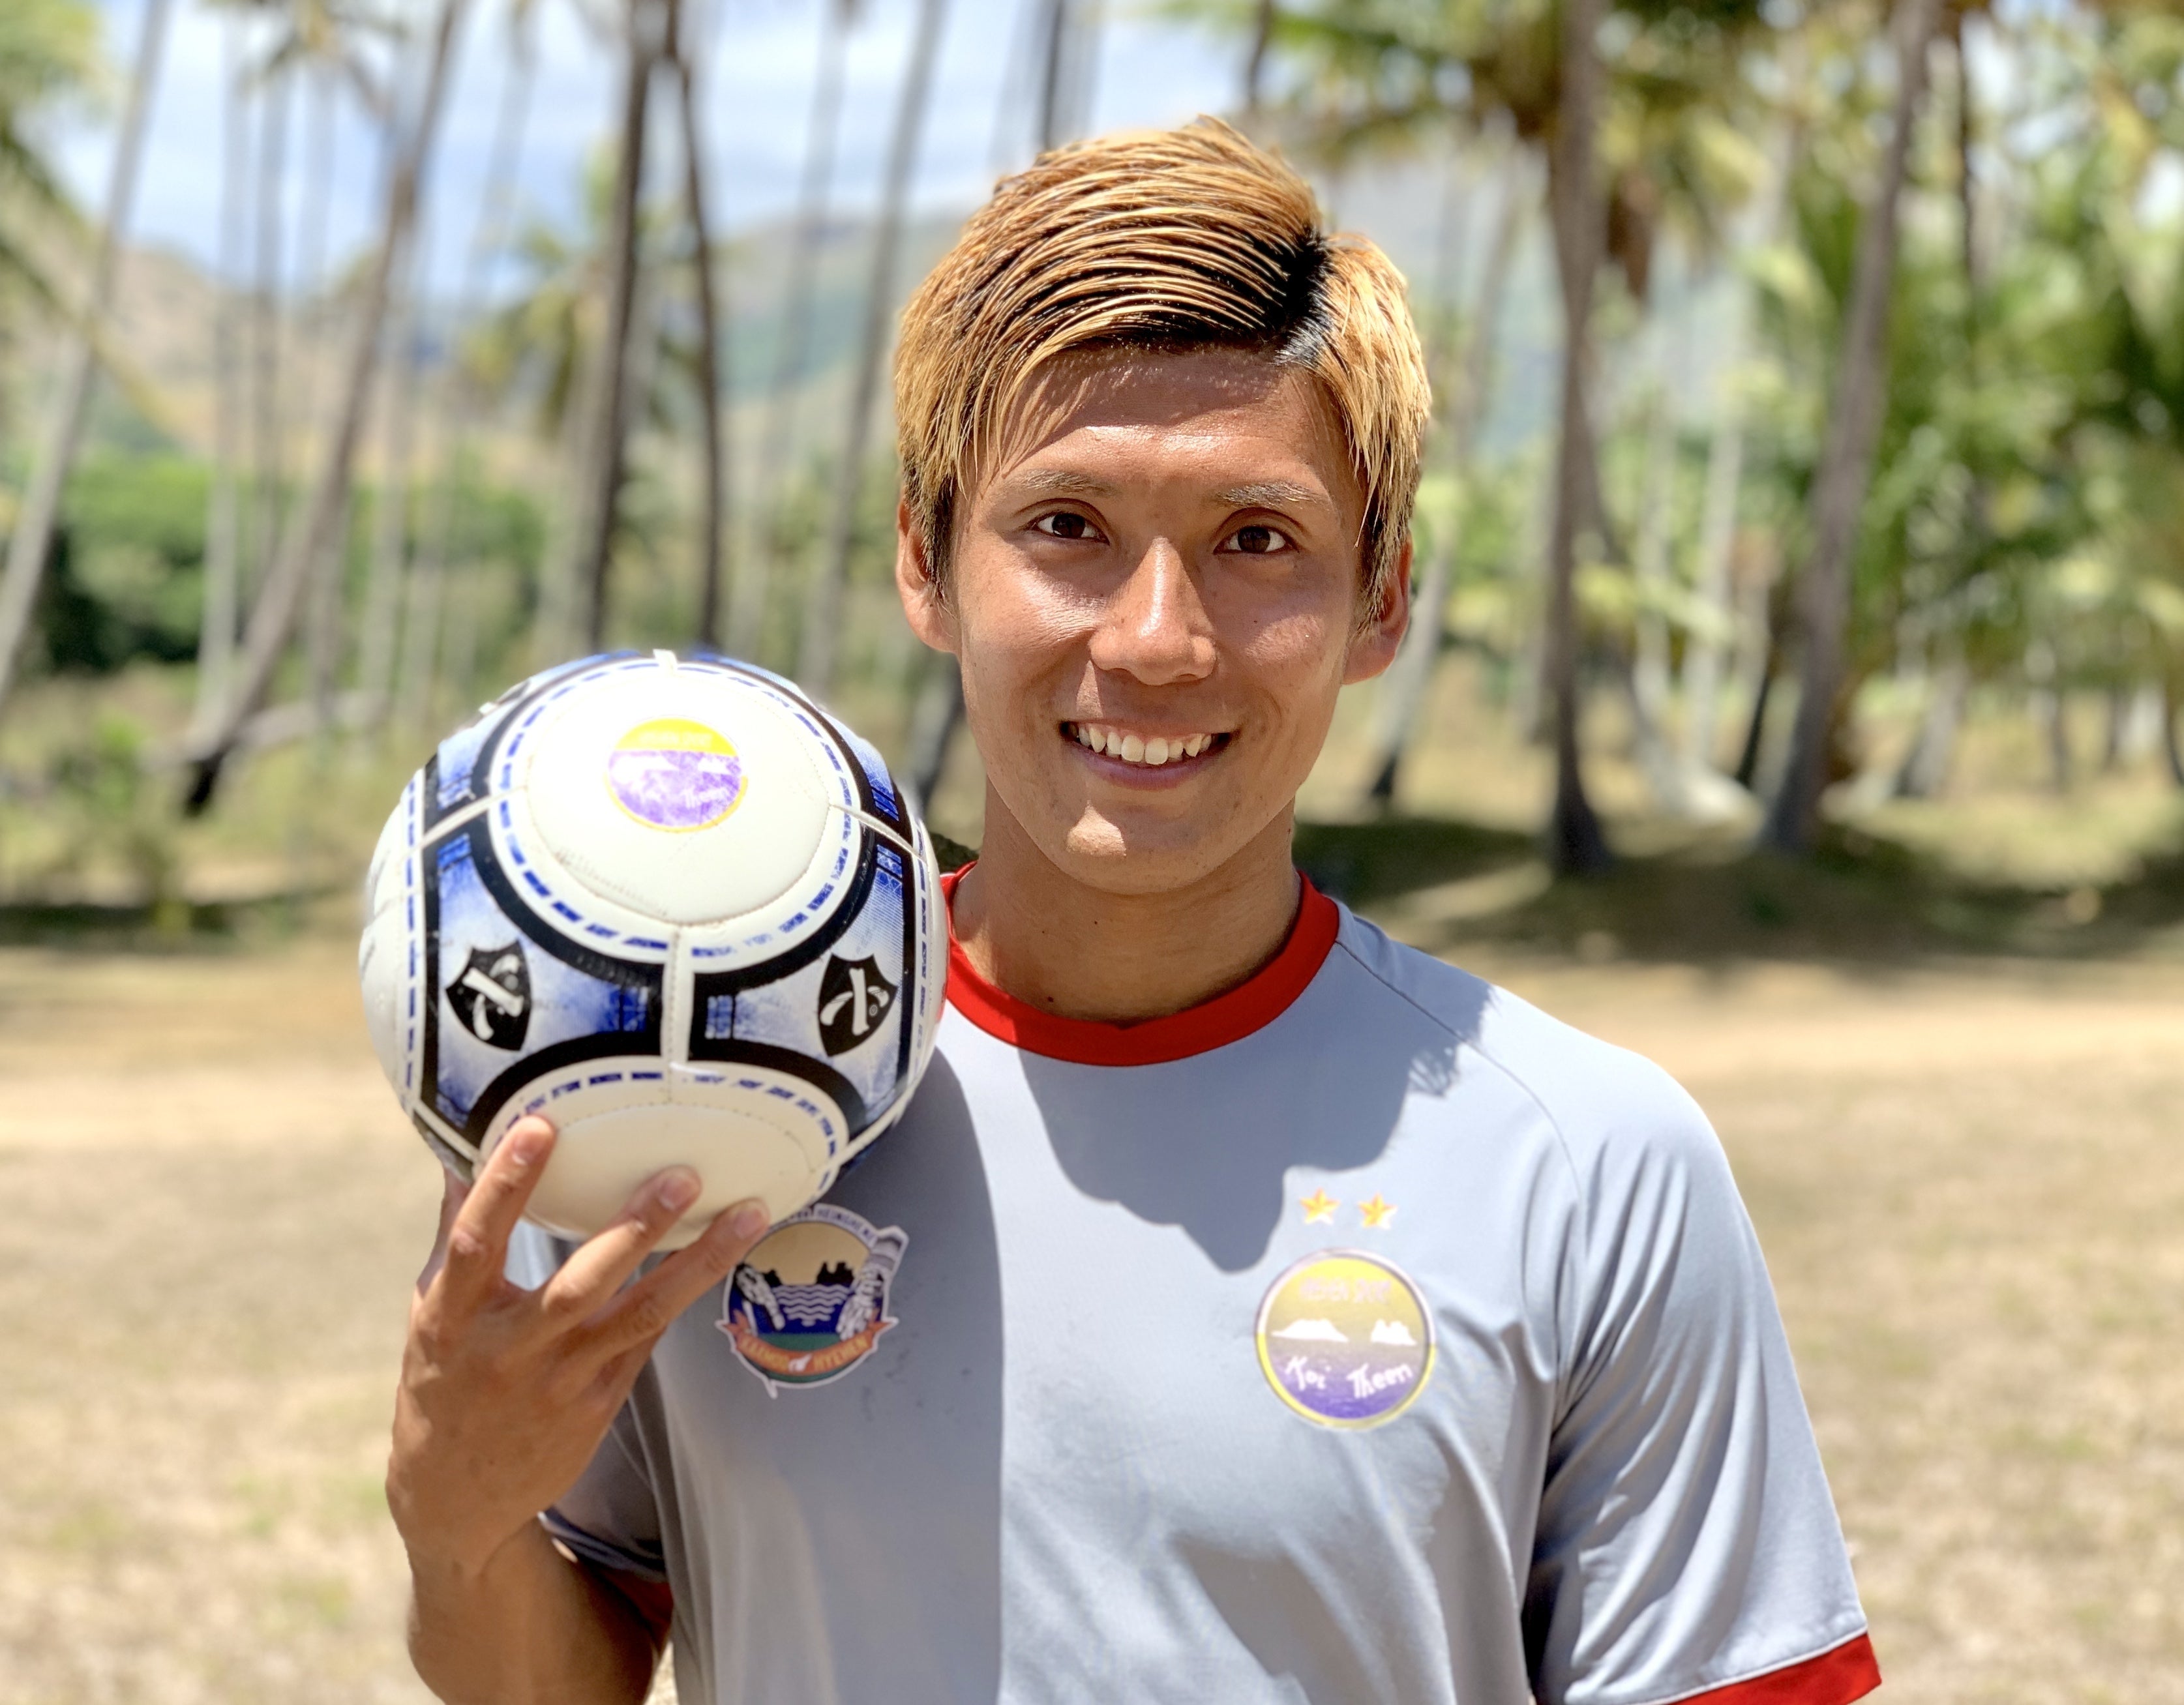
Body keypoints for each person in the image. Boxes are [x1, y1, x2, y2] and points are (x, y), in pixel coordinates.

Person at [388, 119, 1881, 1705]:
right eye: (1066, 528)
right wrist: (455, 1525)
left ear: (1380, 596)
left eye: (1257, 540)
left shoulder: (1587, 1167)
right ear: (926, 559)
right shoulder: (682, 1097)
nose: (1157, 640)